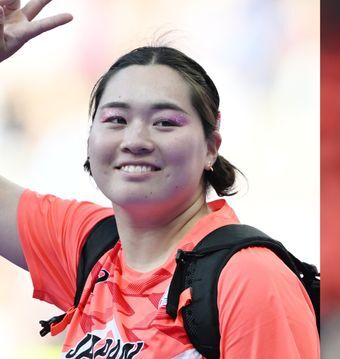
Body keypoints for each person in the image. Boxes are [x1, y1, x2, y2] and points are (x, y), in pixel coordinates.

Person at [0, 0, 319, 358]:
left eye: (165, 122)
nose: (135, 141)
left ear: (211, 147)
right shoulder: (88, 246)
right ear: (90, 140)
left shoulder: (251, 278)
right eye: (116, 120)